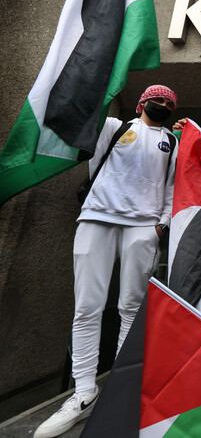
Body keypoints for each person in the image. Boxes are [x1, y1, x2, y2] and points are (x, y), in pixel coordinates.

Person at [35, 85, 179, 438]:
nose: (161, 105)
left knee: (131, 307)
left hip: (143, 226)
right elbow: (82, 116)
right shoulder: (114, 126)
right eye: (156, 100)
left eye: (168, 103)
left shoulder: (173, 142)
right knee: (87, 307)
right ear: (143, 102)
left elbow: (174, 185)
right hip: (97, 217)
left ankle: (122, 388)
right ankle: (84, 391)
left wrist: (162, 223)